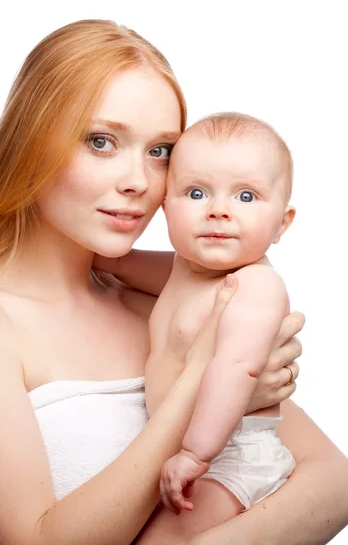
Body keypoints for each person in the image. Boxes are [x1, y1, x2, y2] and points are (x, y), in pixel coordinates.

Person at [0, 20, 348, 545]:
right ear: (29, 142)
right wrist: (199, 380)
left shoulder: (161, 300)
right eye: (101, 141)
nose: (140, 181)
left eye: (160, 150)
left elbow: (339, 484)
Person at [124, 112, 298, 544]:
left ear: (283, 222)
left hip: (228, 458)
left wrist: (195, 453)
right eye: (197, 192)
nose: (219, 211)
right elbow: (126, 266)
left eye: (246, 196)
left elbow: (238, 369)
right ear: (166, 207)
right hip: (195, 451)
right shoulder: (186, 268)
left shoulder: (255, 285)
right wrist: (99, 257)